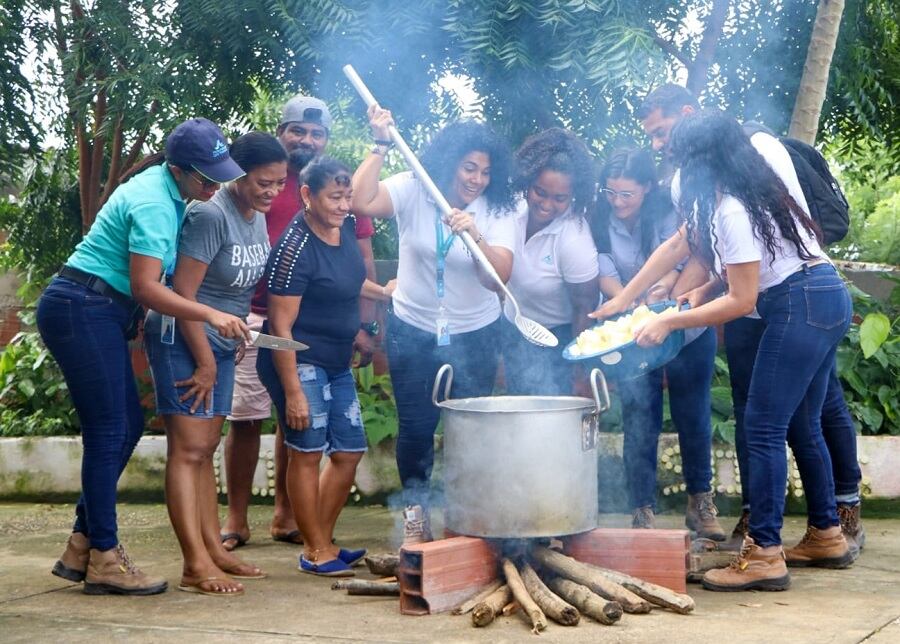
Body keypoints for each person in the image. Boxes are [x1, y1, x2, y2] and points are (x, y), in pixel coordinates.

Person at [595, 110, 853, 592]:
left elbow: (743, 300)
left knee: (762, 426)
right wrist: (683, 292)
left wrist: (669, 317)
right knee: (801, 423)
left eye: (680, 157)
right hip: (822, 297)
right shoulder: (748, 194)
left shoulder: (733, 208)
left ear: (701, 161)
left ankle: (765, 554)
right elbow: (732, 261)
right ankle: (826, 534)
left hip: (798, 305)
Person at [37, 118, 249, 595]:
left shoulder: (169, 190)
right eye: (206, 178)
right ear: (178, 169)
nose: (215, 187)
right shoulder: (155, 202)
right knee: (109, 430)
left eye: (220, 176)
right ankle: (105, 558)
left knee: (126, 426)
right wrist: (211, 315)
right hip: (83, 308)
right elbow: (147, 288)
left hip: (91, 308)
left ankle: (81, 544)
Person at [221, 95, 380, 551]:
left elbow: (360, 261)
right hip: (252, 315)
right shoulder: (264, 175)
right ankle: (235, 519)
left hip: (312, 322)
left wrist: (363, 324)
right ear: (281, 131)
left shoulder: (334, 184)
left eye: (316, 133)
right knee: (246, 418)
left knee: (297, 431)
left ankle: (288, 517)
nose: (306, 140)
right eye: (298, 131)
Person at [351, 108, 517, 544]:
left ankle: (466, 519)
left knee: (469, 430)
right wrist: (380, 143)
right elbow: (359, 201)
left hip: (476, 333)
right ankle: (416, 517)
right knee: (417, 428)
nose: (477, 179)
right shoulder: (412, 188)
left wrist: (474, 235)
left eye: (485, 171)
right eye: (468, 168)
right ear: (448, 163)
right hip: (413, 328)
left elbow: (498, 278)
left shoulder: (499, 206)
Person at [144, 132, 288, 596]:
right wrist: (205, 361)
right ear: (240, 175)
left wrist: (240, 332)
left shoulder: (255, 215)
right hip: (183, 338)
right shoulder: (209, 214)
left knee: (205, 449)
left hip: (224, 341)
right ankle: (194, 563)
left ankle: (214, 549)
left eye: (280, 183)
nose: (272, 191)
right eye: (264, 182)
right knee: (188, 451)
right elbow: (183, 296)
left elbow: (237, 289)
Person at [591, 147, 724, 540]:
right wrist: (630, 302)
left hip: (686, 326)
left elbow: (691, 257)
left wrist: (665, 293)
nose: (617, 202)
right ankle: (642, 509)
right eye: (610, 192)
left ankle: (701, 503)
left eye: (626, 194)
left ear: (648, 188)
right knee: (639, 416)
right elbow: (603, 271)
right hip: (632, 332)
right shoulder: (599, 218)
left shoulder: (673, 211)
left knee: (693, 414)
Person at [256, 157, 372, 576]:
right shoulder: (293, 250)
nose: (344, 205)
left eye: (348, 196)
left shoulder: (342, 231)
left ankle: (319, 541)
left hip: (337, 360)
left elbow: (350, 280)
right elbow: (280, 326)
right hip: (298, 361)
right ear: (307, 195)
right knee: (306, 453)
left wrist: (387, 294)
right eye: (335, 197)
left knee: (350, 449)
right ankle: (317, 549)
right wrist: (292, 392)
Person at [501, 128, 599, 395]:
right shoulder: (508, 211)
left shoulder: (574, 238)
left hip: (562, 336)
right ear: (527, 183)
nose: (546, 205)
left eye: (560, 199)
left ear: (573, 196)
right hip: (515, 327)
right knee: (518, 411)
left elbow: (584, 305)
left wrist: (579, 366)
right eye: (540, 192)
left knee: (552, 416)